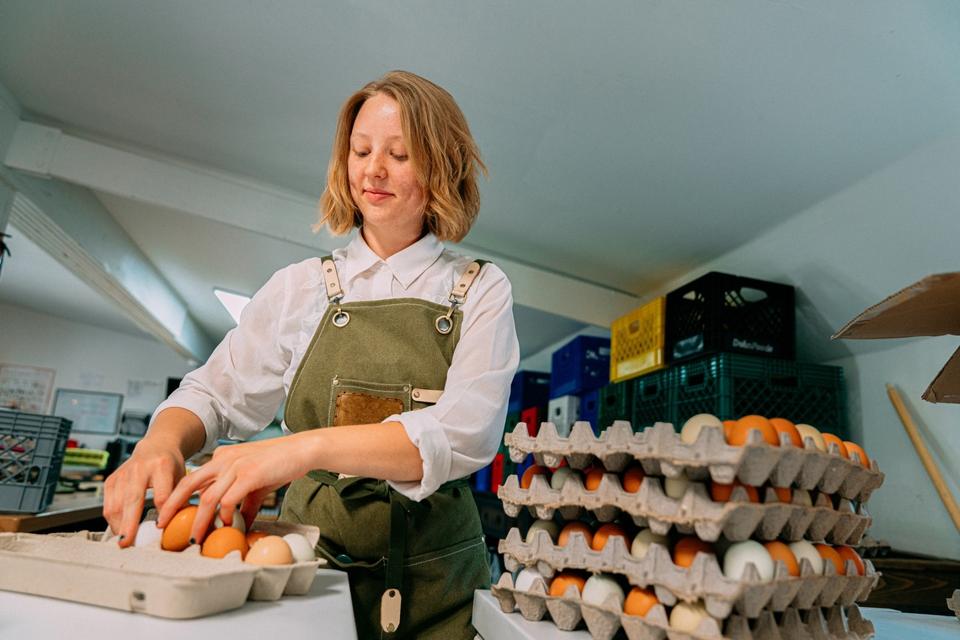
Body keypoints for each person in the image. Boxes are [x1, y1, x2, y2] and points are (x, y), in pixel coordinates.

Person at [103, 70, 520, 639]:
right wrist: (161, 441)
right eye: (361, 150)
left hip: (437, 584)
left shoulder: (479, 288)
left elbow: (466, 432)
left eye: (399, 154)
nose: (373, 170)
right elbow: (213, 393)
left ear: (441, 166)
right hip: (310, 575)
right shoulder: (301, 287)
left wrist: (301, 448)